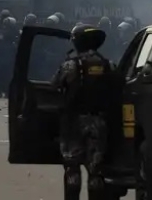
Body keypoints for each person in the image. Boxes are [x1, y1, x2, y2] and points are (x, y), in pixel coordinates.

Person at [51, 23, 114, 200]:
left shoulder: (71, 65)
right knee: (96, 170)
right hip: (99, 123)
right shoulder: (109, 65)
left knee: (72, 169)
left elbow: (54, 85)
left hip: (73, 124)